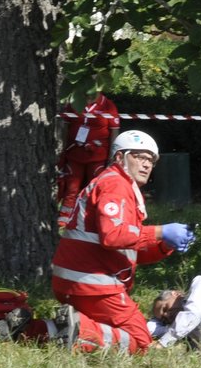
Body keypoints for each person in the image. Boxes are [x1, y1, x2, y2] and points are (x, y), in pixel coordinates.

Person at [51, 129, 193, 354]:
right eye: (139, 156)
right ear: (119, 157)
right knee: (141, 342)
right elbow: (113, 236)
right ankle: (80, 333)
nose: (146, 164)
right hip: (92, 285)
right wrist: (160, 231)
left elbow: (129, 249)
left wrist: (165, 244)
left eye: (151, 160)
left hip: (78, 282)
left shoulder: (121, 186)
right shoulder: (116, 184)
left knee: (116, 332)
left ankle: (32, 328)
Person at [56, 92, 120, 228]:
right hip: (75, 153)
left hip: (97, 156)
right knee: (71, 187)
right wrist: (62, 148)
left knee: (96, 187)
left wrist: (112, 157)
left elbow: (114, 131)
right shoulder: (74, 101)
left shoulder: (108, 105)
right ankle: (65, 217)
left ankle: (95, 217)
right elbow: (65, 128)